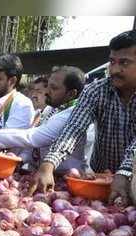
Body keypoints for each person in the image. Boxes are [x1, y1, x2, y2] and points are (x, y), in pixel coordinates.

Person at [29, 30, 136, 207]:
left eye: (124, 63)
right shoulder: (96, 90)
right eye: (112, 62)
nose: (115, 69)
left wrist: (124, 172)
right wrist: (49, 163)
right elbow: (74, 129)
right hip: (100, 177)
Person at [0, 66, 87, 173]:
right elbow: (33, 148)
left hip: (65, 179)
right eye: (48, 86)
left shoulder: (72, 115)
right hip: (41, 174)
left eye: (54, 88)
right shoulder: (51, 110)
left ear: (71, 94)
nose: (46, 91)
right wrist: (20, 160)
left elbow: (32, 137)